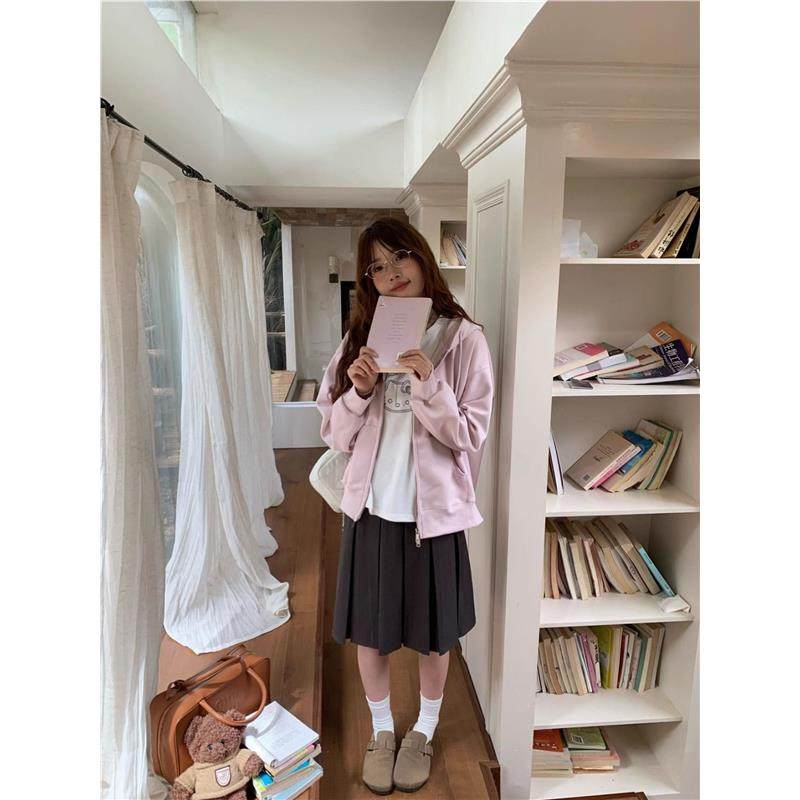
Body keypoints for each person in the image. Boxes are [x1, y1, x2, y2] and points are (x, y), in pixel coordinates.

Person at [316, 216, 495, 794]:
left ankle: (423, 731)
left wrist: (428, 383)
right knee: (370, 634)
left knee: (433, 634)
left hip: (432, 518)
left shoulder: (464, 339)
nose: (391, 273)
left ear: (422, 257)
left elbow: (470, 434)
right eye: (377, 267)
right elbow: (332, 432)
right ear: (368, 279)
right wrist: (359, 390)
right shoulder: (358, 340)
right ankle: (380, 732)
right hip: (371, 511)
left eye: (400, 258)